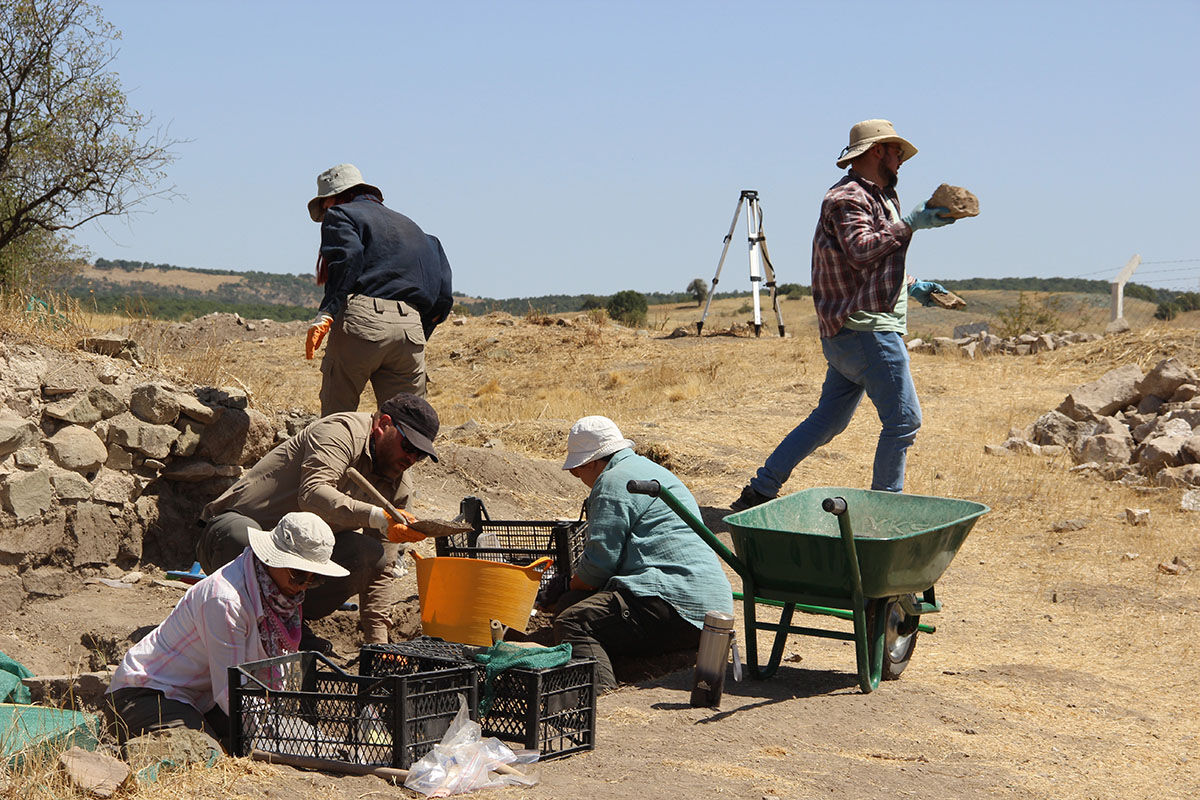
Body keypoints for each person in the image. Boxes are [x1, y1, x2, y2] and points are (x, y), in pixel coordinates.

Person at [731, 119, 955, 511]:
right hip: (868, 331)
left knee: (826, 422)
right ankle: (885, 513)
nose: (901, 159)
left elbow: (872, 263)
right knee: (903, 423)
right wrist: (911, 224)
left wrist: (913, 284)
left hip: (851, 332)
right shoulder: (847, 198)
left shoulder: (880, 197)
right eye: (896, 151)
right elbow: (862, 250)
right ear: (875, 152)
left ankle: (759, 491)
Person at [196, 392, 439, 646]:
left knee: (369, 555)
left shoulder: (398, 483)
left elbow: (384, 567)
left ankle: (290, 622)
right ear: (385, 424)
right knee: (243, 537)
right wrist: (376, 516)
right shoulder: (340, 432)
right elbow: (312, 494)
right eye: (409, 447)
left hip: (297, 556)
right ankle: (244, 625)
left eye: (419, 455)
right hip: (233, 533)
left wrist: (378, 643)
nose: (411, 459)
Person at [107, 512, 349, 744]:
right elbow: (232, 692)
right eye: (298, 575)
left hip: (204, 698)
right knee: (205, 752)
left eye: (314, 578)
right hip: (148, 694)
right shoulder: (226, 600)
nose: (303, 586)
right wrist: (289, 737)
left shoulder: (280, 595)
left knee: (273, 738)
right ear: (272, 558)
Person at [551, 416, 733, 692]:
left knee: (573, 621)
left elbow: (599, 565)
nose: (579, 479)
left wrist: (565, 585)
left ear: (590, 462)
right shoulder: (649, 469)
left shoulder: (611, 480)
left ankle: (600, 697)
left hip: (670, 600)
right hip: (710, 609)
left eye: (576, 471)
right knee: (574, 602)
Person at [304, 163, 453, 419]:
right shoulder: (418, 231)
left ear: (335, 198)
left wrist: (327, 312)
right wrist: (417, 330)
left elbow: (347, 260)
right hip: (411, 329)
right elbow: (443, 299)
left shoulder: (342, 214)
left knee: (335, 420)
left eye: (325, 204)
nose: (326, 212)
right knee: (407, 426)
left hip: (362, 321)